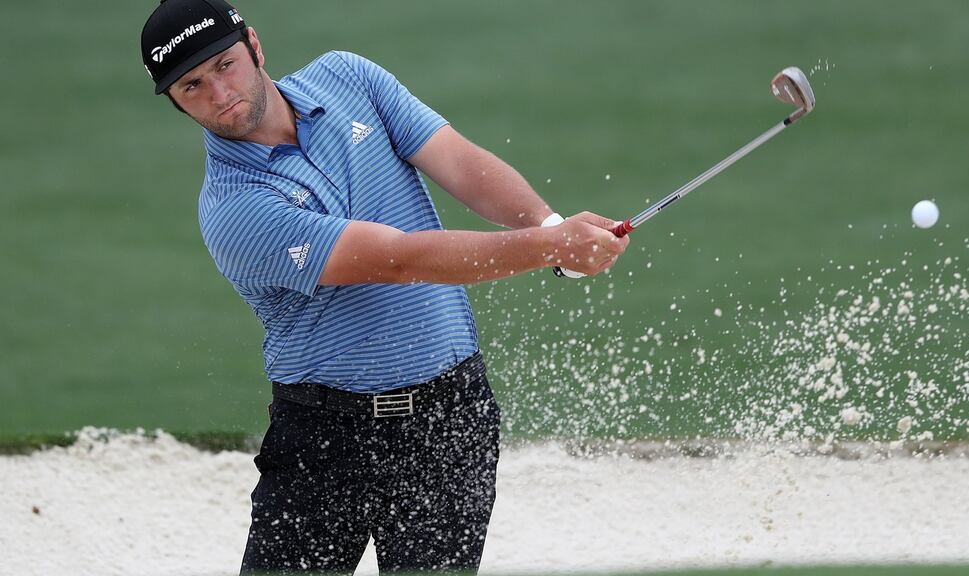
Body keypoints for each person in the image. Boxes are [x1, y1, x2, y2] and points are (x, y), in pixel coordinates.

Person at [141, 0, 629, 573]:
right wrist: (550, 247)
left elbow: (458, 161)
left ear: (254, 45)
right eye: (192, 86)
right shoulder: (234, 209)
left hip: (452, 419)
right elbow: (400, 259)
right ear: (175, 102)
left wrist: (547, 226)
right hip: (325, 440)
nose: (219, 94)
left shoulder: (348, 76)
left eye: (225, 65)